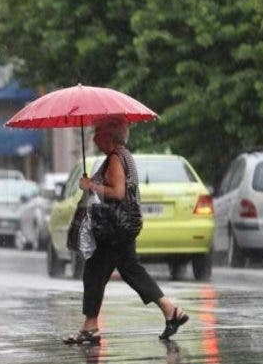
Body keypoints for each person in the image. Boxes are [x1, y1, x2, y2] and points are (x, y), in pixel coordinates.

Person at [63, 119, 188, 344]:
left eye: (99, 133)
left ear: (110, 136)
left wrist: (90, 186)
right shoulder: (124, 155)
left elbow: (118, 192)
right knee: (128, 270)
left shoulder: (115, 159)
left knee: (94, 272)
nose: (94, 137)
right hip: (123, 225)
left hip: (114, 227)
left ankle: (91, 327)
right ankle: (171, 311)